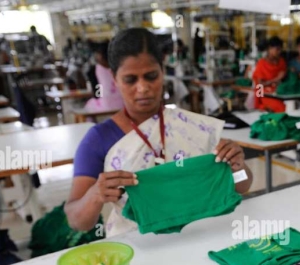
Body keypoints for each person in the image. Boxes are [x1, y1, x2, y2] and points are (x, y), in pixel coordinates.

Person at [65, 28, 253, 236]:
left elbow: (242, 186)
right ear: (114, 78)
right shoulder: (99, 139)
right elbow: (77, 221)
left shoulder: (193, 129)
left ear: (163, 71)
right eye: (130, 79)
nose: (143, 88)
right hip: (136, 249)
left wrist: (238, 167)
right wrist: (95, 195)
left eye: (151, 76)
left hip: (199, 238)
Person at [83, 42, 124, 111]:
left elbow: (98, 93)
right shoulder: (121, 67)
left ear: (101, 56)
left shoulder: (95, 70)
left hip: (106, 106)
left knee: (89, 105)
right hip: (123, 104)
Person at [251, 36, 287, 113]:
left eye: (280, 49)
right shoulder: (262, 63)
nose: (279, 52)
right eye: (277, 49)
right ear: (269, 49)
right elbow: (260, 85)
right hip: (265, 94)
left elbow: (283, 79)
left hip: (279, 92)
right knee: (281, 107)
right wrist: (276, 79)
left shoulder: (281, 62)